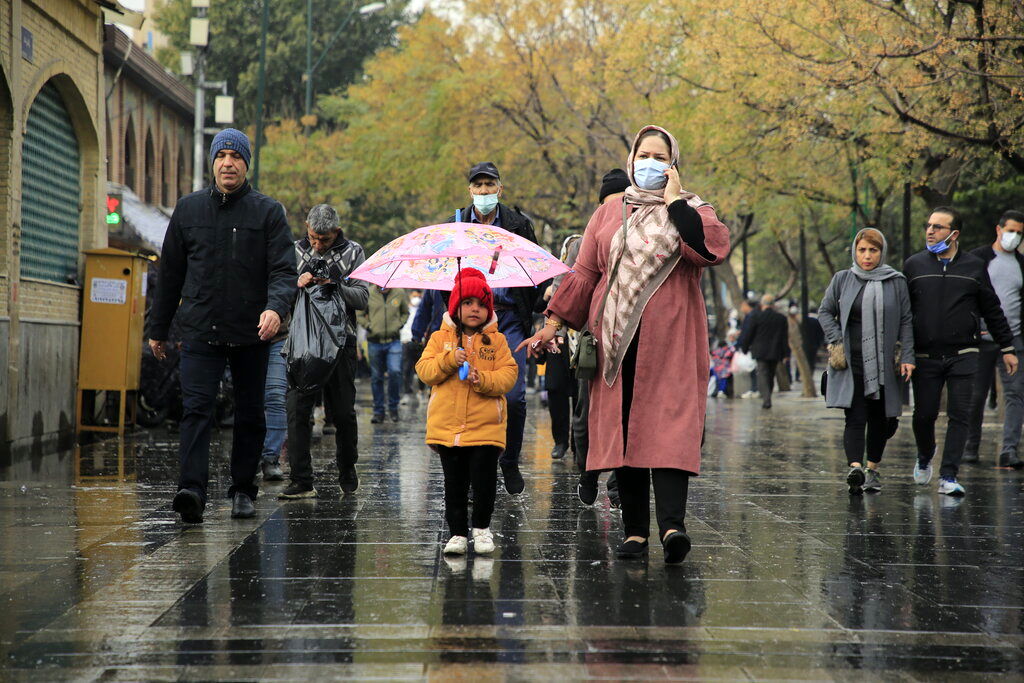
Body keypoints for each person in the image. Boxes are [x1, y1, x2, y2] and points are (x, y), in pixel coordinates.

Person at [520, 125, 730, 564]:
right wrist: (552, 323)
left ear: (674, 164)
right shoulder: (610, 211)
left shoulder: (694, 208)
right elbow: (584, 274)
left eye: (660, 156)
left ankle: (673, 526)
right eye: (643, 154)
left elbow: (707, 248)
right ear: (632, 157)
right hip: (616, 346)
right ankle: (635, 532)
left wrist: (673, 200)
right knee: (627, 431)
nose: (650, 163)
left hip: (671, 343)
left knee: (669, 429)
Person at [147, 128, 296, 523]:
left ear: (247, 164)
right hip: (199, 330)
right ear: (212, 163)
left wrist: (276, 309)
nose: (228, 162)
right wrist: (157, 328)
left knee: (250, 412)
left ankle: (243, 489)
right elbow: (171, 274)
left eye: (236, 156)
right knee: (196, 409)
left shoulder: (269, 212)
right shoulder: (188, 210)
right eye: (221, 156)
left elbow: (284, 271)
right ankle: (191, 490)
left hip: (252, 333)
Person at [437, 162, 544, 496]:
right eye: (478, 185)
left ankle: (508, 460)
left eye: (489, 184)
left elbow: (535, 268)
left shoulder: (518, 224)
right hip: (470, 318)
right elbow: (443, 275)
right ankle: (470, 473)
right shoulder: (455, 225)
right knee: (469, 393)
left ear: (500, 187)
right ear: (469, 190)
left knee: (512, 395)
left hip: (510, 318)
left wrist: (542, 310)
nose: (483, 191)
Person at [903, 206, 1018, 496]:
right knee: (924, 415)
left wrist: (1007, 347)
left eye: (937, 227)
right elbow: (904, 313)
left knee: (960, 415)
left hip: (964, 353)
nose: (930, 231)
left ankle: (948, 475)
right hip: (925, 355)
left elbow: (992, 309)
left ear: (954, 234)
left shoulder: (973, 266)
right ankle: (925, 454)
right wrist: (903, 351)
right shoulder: (914, 265)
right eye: (928, 225)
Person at [416, 268, 518, 556]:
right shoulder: (440, 338)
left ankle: (483, 529)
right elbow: (424, 370)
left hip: (485, 426)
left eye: (481, 304)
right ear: (455, 307)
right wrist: (449, 360)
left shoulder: (496, 341)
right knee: (455, 484)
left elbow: (508, 375)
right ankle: (457, 533)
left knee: (484, 482)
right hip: (448, 427)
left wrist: (482, 379)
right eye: (468, 303)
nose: (475, 309)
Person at [279, 204, 369, 499]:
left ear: (337, 232)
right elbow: (280, 293)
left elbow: (363, 298)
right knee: (297, 410)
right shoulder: (294, 251)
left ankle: (347, 467)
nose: (317, 245)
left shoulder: (353, 252)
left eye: (325, 240)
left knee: (342, 412)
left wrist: (335, 284)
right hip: (302, 343)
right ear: (306, 227)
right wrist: (299, 281)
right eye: (313, 238)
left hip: (341, 342)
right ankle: (301, 478)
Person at [819, 229, 915, 494]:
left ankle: (872, 469)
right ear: (855, 251)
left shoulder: (896, 281)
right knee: (855, 416)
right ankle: (855, 469)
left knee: (881, 419)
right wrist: (837, 340)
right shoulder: (843, 279)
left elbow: (906, 320)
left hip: (886, 362)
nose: (867, 256)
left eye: (873, 250)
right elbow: (825, 311)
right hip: (852, 363)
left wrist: (907, 355)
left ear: (881, 252)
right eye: (862, 250)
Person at [573, 169, 630, 507]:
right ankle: (588, 472)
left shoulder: (644, 235)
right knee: (586, 412)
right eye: (610, 201)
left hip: (626, 334)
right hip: (592, 338)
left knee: (624, 412)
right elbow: (576, 281)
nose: (616, 208)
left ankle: (619, 485)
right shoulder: (588, 238)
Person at [964, 210, 1024, 469]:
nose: (1015, 236)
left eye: (1020, 232)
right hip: (981, 339)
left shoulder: (1022, 264)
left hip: (1014, 339)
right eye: (1011, 230)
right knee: (975, 396)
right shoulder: (978, 258)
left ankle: (1008, 450)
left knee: (1015, 394)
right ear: (998, 229)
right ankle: (970, 448)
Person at [359, 285, 408, 423]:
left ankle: (393, 408)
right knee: (376, 377)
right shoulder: (368, 292)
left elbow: (405, 313)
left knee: (395, 372)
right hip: (374, 342)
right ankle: (378, 411)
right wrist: (369, 326)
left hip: (393, 341)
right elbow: (360, 314)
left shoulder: (399, 292)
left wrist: (399, 324)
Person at [739, 294, 789, 409]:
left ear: (762, 304)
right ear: (773, 305)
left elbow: (749, 333)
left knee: (762, 374)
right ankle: (768, 397)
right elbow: (784, 337)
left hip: (760, 351)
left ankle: (766, 399)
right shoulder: (781, 318)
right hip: (775, 351)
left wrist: (745, 347)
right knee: (770, 375)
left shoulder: (756, 317)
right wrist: (786, 353)